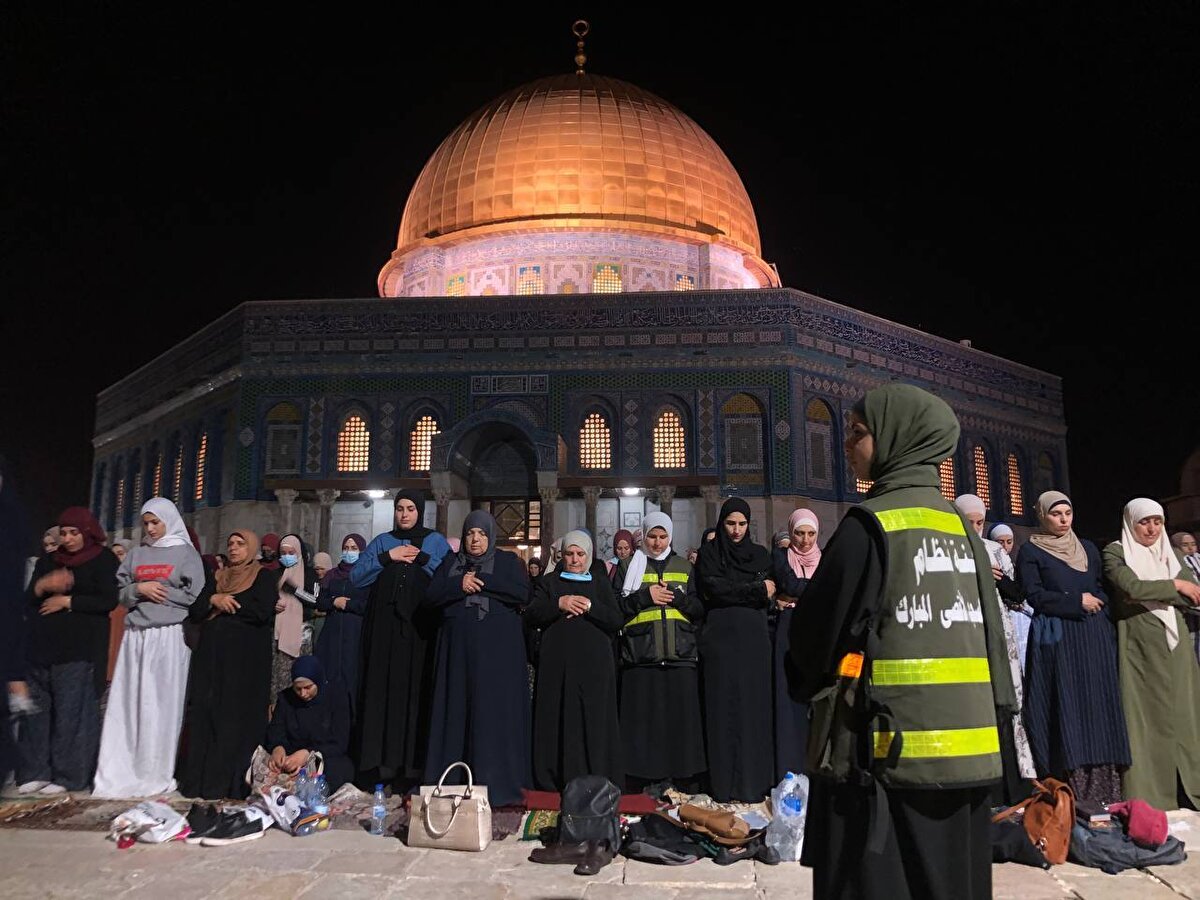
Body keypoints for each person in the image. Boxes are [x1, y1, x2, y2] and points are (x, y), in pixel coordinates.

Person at [790, 384, 1013, 900]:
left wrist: (810, 680)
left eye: (860, 434)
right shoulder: (961, 528)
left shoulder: (871, 526)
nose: (848, 445)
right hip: (970, 757)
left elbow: (815, 637)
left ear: (898, 439)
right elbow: (994, 645)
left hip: (885, 759)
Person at [1018, 491, 1130, 804]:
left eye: (1068, 513)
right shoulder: (1031, 551)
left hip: (1092, 636)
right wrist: (1074, 602)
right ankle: (1069, 790)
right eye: (1056, 514)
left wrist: (1099, 602)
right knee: (1068, 704)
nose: (1064, 519)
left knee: (1097, 704)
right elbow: (1034, 595)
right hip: (1058, 636)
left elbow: (1098, 588)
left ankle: (1106, 789)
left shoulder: (1088, 549)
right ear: (1042, 516)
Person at [94, 497, 203, 798]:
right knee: (130, 701)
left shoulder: (185, 554)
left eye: (156, 522)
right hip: (136, 635)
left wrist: (163, 593)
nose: (151, 528)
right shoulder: (137, 554)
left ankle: (156, 770)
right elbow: (119, 591)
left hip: (168, 634)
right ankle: (123, 769)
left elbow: (195, 594)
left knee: (162, 703)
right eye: (147, 523)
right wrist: (138, 589)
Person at [424, 511, 531, 806]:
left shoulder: (508, 563)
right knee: (458, 714)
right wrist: (458, 585)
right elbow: (431, 597)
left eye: (482, 534)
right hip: (457, 657)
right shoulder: (450, 564)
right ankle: (453, 780)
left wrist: (481, 580)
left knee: (493, 718)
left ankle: (497, 782)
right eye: (471, 533)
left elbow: (521, 593)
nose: (475, 539)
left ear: (491, 537)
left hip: (498, 660)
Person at [1103, 499, 1200, 810]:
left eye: (1158, 522)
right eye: (1145, 522)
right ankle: (1153, 795)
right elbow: (1130, 587)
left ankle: (1189, 789)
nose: (1152, 529)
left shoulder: (1171, 555)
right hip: (1140, 649)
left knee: (1185, 717)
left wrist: (1170, 588)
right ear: (1132, 523)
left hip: (1177, 647)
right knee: (1145, 720)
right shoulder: (1116, 552)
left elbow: (1195, 594)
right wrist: (1175, 586)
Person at [351, 490, 451, 789]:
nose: (404, 514)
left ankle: (412, 766)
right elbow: (358, 577)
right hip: (384, 634)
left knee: (415, 695)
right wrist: (387, 557)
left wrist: (421, 558)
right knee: (382, 694)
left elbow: (446, 576)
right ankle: (380, 766)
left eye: (410, 508)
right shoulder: (383, 541)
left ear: (420, 511)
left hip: (419, 634)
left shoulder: (435, 541)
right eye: (399, 509)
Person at [18, 507, 117, 794]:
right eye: (64, 532)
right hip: (41, 647)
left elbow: (107, 600)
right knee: (37, 712)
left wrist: (68, 601)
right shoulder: (49, 561)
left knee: (71, 714)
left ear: (87, 533)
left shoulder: (103, 559)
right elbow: (28, 602)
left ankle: (69, 775)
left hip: (77, 649)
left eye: (74, 533)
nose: (68, 538)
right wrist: (42, 586)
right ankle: (35, 770)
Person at [178, 529, 277, 799]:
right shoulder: (218, 577)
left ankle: (232, 783)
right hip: (211, 662)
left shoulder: (263, 576)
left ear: (252, 548)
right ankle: (202, 782)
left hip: (244, 664)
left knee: (234, 720)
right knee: (208, 716)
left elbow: (261, 610)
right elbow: (196, 610)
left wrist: (224, 605)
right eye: (230, 543)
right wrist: (213, 598)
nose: (234, 548)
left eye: (240, 544)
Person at [954, 494, 1036, 801]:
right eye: (969, 522)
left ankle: (1010, 784)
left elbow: (1017, 594)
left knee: (1004, 701)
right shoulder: (952, 548)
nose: (975, 528)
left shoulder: (994, 550)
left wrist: (998, 581)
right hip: (964, 633)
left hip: (998, 633)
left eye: (979, 522)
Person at [527, 530, 623, 790]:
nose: (575, 560)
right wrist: (560, 602)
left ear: (589, 556)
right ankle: (553, 778)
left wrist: (590, 607)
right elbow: (532, 613)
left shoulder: (600, 583)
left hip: (594, 668)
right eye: (570, 554)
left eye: (580, 554)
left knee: (592, 722)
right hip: (557, 667)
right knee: (559, 720)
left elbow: (615, 620)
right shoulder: (550, 583)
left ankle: (595, 778)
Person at [694, 497, 775, 802]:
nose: (737, 530)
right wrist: (754, 590)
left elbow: (769, 591)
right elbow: (714, 590)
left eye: (742, 524)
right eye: (731, 523)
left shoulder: (760, 555)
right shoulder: (711, 554)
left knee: (752, 712)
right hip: (721, 645)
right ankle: (724, 786)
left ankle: (753, 784)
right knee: (723, 712)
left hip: (753, 645)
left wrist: (741, 592)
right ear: (721, 523)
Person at [617, 511, 705, 791]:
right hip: (641, 657)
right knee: (643, 728)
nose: (657, 542)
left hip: (680, 656)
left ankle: (683, 780)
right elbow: (616, 610)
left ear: (670, 536)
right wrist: (646, 597)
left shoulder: (684, 566)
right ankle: (641, 779)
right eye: (652, 536)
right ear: (644, 536)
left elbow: (699, 609)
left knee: (681, 728)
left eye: (662, 536)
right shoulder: (628, 566)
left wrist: (678, 599)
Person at [769, 508, 820, 782]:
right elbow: (787, 582)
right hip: (788, 634)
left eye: (811, 533)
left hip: (817, 635)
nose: (805, 540)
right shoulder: (780, 558)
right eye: (799, 533)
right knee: (789, 703)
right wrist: (816, 589)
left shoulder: (824, 560)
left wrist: (798, 592)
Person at [263, 655, 354, 790]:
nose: (303, 694)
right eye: (297, 689)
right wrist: (278, 748)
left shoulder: (336, 697)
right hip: (291, 758)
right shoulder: (286, 699)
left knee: (338, 771)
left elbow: (339, 744)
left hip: (323, 756)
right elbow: (276, 730)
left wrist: (308, 754)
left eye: (308, 687)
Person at [314, 533, 369, 712]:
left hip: (355, 634)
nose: (349, 552)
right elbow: (320, 601)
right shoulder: (332, 575)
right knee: (329, 676)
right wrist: (334, 602)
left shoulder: (368, 574)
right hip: (332, 634)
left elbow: (369, 604)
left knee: (351, 679)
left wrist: (348, 604)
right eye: (346, 548)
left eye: (354, 549)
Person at [271, 533, 317, 699]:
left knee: (300, 677)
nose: (287, 557)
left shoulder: (310, 574)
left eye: (291, 553)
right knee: (278, 680)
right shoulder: (275, 574)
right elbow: (268, 598)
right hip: (278, 633)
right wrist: (273, 605)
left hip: (301, 634)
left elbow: (314, 600)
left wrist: (295, 590)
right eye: (283, 553)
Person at [106, 540, 133, 682]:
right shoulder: (106, 577)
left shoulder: (136, 579)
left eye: (120, 554)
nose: (116, 558)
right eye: (113, 554)